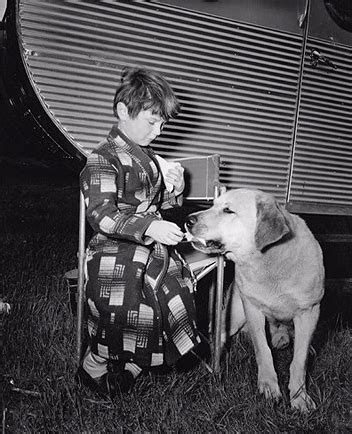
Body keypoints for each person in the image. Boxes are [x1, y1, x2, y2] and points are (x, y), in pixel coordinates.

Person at [76, 66, 201, 398]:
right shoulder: (102, 159)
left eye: (162, 124)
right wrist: (150, 226)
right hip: (112, 247)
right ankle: (94, 366)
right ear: (122, 112)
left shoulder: (148, 158)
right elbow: (102, 215)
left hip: (148, 244)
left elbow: (155, 200)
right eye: (152, 122)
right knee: (125, 299)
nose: (158, 131)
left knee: (172, 286)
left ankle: (135, 363)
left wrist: (173, 189)